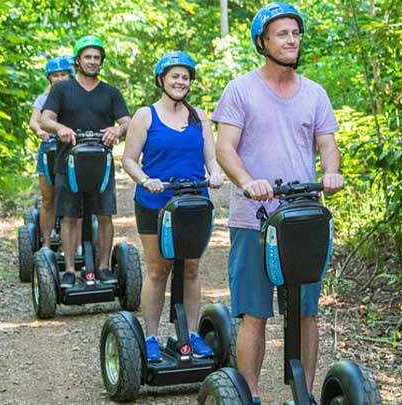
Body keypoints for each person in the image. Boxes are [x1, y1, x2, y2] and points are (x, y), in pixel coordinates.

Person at [213, 3, 344, 404]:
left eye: (295, 33)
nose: (291, 40)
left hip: (302, 220)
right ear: (262, 43)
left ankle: (300, 394)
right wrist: (247, 181)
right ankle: (249, 394)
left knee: (307, 312)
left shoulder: (314, 93)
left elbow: (328, 145)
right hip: (254, 220)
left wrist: (332, 173)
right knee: (255, 312)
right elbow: (224, 149)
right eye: (282, 34)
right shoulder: (241, 89)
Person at [122, 51, 223, 362]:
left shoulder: (200, 116)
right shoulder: (145, 115)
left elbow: (210, 157)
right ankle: (151, 337)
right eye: (174, 76)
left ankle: (191, 334)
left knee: (191, 269)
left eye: (185, 77)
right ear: (161, 79)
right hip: (155, 202)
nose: (181, 81)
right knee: (158, 270)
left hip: (193, 203)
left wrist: (216, 172)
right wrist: (145, 180)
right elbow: (128, 159)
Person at [39, 35, 131, 288]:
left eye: (96, 58)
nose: (92, 61)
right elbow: (45, 119)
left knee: (104, 215)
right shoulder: (61, 90)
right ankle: (69, 269)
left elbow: (127, 121)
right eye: (87, 57)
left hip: (101, 165)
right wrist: (60, 128)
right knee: (69, 216)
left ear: (101, 62)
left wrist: (117, 130)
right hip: (67, 163)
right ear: (78, 60)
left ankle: (102, 267)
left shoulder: (110, 92)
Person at [27, 56, 74, 249]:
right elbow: (34, 121)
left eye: (64, 74)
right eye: (56, 75)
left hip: (71, 149)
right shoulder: (43, 99)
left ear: (70, 75)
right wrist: (39, 131)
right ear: (50, 78)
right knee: (48, 199)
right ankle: (46, 245)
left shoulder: (77, 96)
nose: (60, 78)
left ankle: (70, 245)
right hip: (49, 149)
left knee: (72, 200)